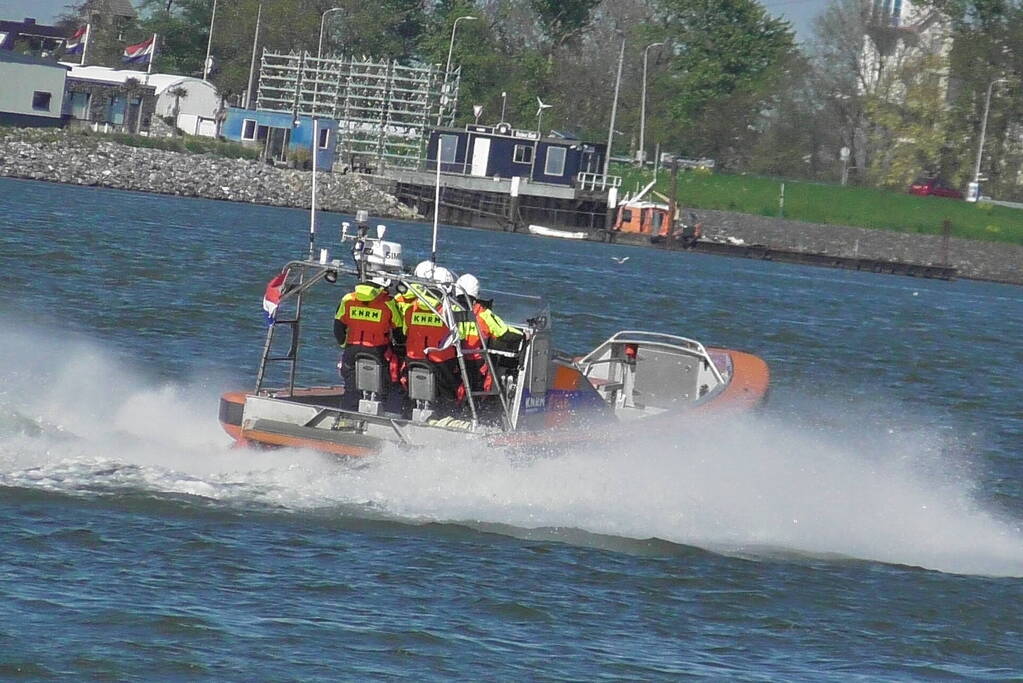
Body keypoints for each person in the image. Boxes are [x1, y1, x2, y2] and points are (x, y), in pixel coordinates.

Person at [334, 275, 405, 412]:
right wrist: (400, 344)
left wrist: (345, 344)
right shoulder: (388, 302)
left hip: (352, 349)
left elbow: (338, 327)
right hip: (378, 350)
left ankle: (347, 416)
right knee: (384, 383)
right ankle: (381, 413)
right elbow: (398, 328)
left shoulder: (348, 299)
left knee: (351, 386)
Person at [454, 272, 524, 395]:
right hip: (476, 363)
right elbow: (504, 333)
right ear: (476, 293)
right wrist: (524, 335)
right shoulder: (483, 314)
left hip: (455, 361)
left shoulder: (450, 310)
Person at [402, 266, 463, 405]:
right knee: (451, 391)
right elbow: (461, 335)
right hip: (441, 363)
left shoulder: (411, 309)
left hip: (413, 360)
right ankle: (448, 414)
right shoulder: (450, 311)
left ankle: (410, 408)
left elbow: (405, 331)